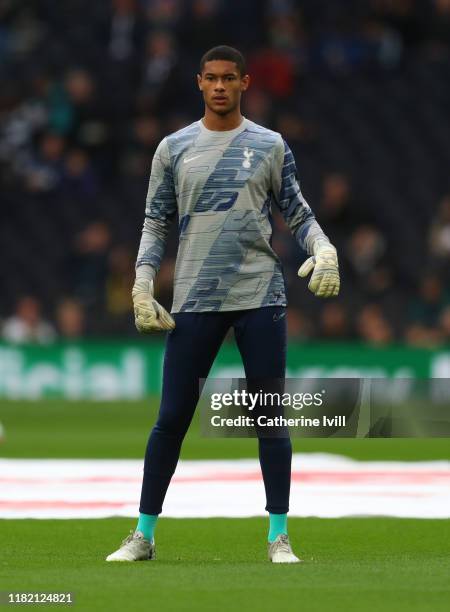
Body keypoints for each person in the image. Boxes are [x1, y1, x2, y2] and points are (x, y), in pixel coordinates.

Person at [106, 46, 340, 564]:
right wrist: (143, 283)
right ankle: (143, 535)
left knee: (269, 417)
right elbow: (155, 221)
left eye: (228, 78)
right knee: (171, 417)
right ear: (198, 82)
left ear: (244, 83)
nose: (219, 86)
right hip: (194, 294)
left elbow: (297, 211)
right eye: (211, 78)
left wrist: (324, 247)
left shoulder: (270, 144)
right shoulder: (173, 148)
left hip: (259, 293)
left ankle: (279, 536)